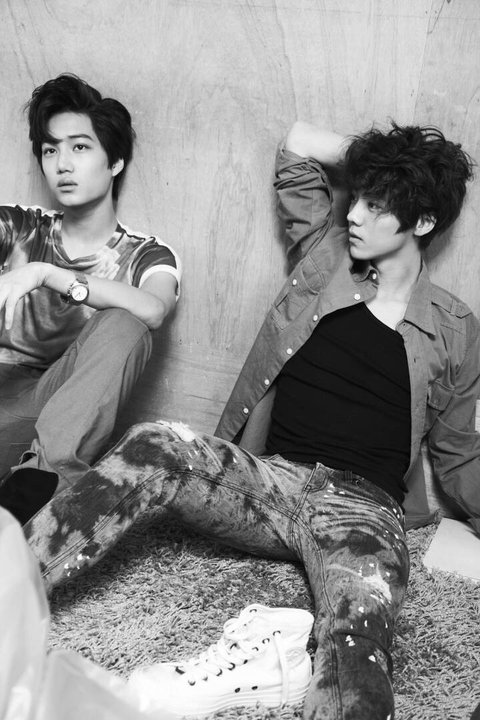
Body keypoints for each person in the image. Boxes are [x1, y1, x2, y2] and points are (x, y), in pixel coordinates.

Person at [24, 121, 480, 720]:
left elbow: (460, 451)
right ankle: (14, 583)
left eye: (377, 205)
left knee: (357, 636)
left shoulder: (454, 326)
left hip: (364, 508)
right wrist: (383, 163)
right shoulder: (325, 257)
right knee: (157, 444)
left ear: (423, 222)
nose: (354, 215)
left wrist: (413, 176)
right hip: (269, 480)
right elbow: (298, 145)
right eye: (358, 197)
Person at [0, 74, 181, 525]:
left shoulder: (147, 255)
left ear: (115, 161)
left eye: (79, 147)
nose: (62, 164)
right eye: (50, 150)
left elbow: (154, 310)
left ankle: (37, 489)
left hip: (34, 422)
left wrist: (48, 274)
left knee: (127, 320)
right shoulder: (15, 227)